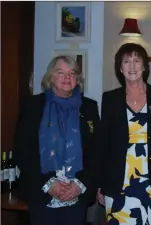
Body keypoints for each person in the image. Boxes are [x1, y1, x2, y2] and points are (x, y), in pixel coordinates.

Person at [13, 55, 100, 225]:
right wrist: (48, 184)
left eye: (72, 73)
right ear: (50, 77)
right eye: (60, 72)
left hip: (76, 195)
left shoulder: (89, 107)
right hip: (41, 193)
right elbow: (22, 151)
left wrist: (79, 184)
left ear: (78, 79)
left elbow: (97, 151)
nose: (67, 77)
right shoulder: (33, 106)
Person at [96, 43, 151, 225]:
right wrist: (99, 183)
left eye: (137, 61)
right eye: (126, 61)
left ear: (144, 66)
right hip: (117, 181)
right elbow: (102, 144)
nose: (132, 67)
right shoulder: (110, 99)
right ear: (120, 68)